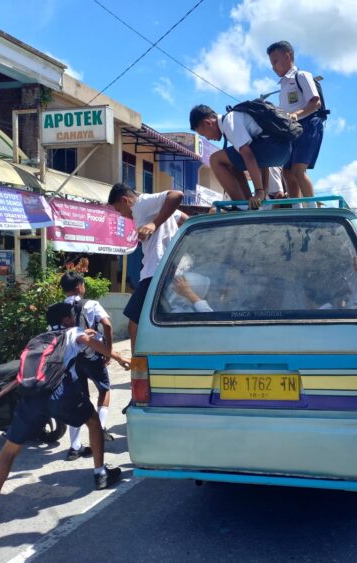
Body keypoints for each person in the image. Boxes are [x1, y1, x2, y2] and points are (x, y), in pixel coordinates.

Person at [0, 302, 130, 527]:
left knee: (9, 450)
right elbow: (88, 342)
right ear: (67, 320)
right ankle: (100, 473)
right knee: (93, 422)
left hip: (30, 399)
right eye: (73, 317)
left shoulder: (37, 339)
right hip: (61, 396)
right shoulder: (73, 332)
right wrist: (119, 357)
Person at [107, 183, 187, 353]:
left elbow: (177, 195)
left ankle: (138, 368)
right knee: (159, 320)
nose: (122, 215)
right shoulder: (154, 208)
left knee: (134, 322)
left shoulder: (142, 204)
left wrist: (154, 224)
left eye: (118, 209)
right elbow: (184, 219)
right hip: (166, 270)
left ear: (125, 200)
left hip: (155, 272)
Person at [189, 104, 292, 210]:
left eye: (204, 134)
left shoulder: (230, 122)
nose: (208, 139)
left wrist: (259, 192)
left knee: (215, 159)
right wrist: (264, 190)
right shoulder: (234, 119)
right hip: (282, 150)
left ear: (208, 123)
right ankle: (248, 203)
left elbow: (249, 156)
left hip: (276, 147)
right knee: (231, 164)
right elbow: (262, 162)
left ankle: (240, 206)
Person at [60, 271, 115, 458]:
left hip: (71, 359)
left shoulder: (59, 308)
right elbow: (107, 325)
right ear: (79, 287)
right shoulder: (92, 304)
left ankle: (74, 447)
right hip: (92, 355)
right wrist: (107, 349)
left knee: (77, 398)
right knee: (104, 389)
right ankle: (99, 430)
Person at [267, 41, 325, 208]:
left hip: (307, 125)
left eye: (275, 61)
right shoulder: (283, 85)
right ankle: (296, 207)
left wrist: (295, 115)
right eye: (271, 63)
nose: (273, 67)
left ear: (287, 56)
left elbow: (315, 103)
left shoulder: (302, 76)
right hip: (291, 130)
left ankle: (312, 209)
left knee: (298, 170)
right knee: (286, 171)